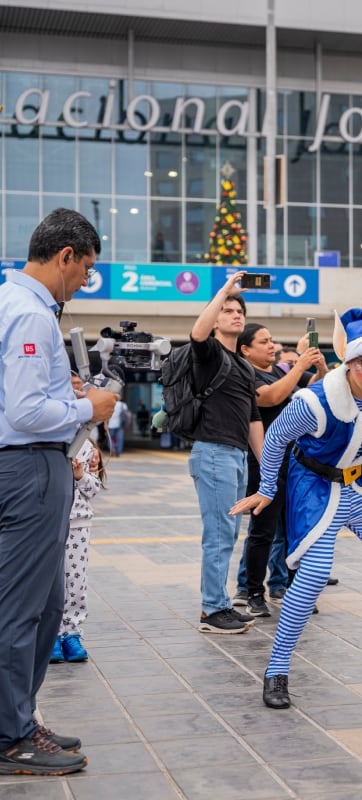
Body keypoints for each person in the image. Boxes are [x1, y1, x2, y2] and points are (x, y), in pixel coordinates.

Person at [231, 308, 362, 709]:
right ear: (348, 361)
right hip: (314, 485)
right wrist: (265, 489)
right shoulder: (314, 402)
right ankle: (276, 669)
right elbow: (275, 438)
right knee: (311, 576)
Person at [0, 207, 115, 776]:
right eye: (85, 270)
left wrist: (59, 389)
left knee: (43, 604)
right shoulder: (30, 314)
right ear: (65, 256)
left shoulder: (10, 304)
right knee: (23, 609)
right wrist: (85, 406)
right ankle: (9, 734)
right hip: (27, 469)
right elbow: (23, 413)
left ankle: (18, 716)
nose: (85, 281)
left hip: (26, 467)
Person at [188, 271, 264, 634]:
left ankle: (218, 604)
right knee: (218, 533)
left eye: (240, 310)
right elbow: (197, 335)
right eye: (228, 310)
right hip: (213, 452)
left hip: (235, 457)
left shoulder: (245, 368)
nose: (236, 315)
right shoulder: (210, 355)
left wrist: (267, 465)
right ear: (216, 316)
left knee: (229, 532)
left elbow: (252, 418)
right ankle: (212, 610)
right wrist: (223, 290)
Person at [234, 323, 327, 618]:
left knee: (294, 529)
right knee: (263, 531)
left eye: (272, 340)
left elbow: (305, 395)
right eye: (264, 342)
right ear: (246, 349)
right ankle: (253, 593)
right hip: (264, 461)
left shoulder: (277, 371)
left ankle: (290, 587)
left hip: (294, 461)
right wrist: (298, 365)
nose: (271, 345)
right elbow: (271, 397)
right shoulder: (246, 374)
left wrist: (320, 370)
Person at [51, 435, 104, 664]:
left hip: (78, 525)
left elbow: (94, 489)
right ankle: (50, 635)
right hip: (48, 522)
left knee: (75, 580)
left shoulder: (87, 447)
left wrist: (80, 476)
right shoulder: (44, 442)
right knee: (49, 581)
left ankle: (71, 634)